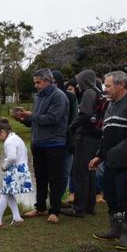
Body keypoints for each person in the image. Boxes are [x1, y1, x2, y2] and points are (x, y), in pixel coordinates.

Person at [12, 68, 69, 224]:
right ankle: (40, 207)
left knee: (55, 178)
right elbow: (36, 121)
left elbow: (52, 119)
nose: (36, 85)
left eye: (38, 82)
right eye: (35, 82)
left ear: (48, 80)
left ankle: (55, 211)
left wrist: (31, 115)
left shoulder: (59, 96)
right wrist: (23, 118)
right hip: (38, 143)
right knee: (40, 177)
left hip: (55, 143)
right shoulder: (38, 97)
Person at [89, 71, 127, 250]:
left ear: (121, 85)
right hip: (110, 161)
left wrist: (118, 152)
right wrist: (99, 155)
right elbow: (106, 135)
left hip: (125, 162)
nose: (105, 89)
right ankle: (115, 229)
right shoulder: (110, 106)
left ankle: (126, 235)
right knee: (111, 195)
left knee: (124, 197)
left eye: (108, 86)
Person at [63, 69, 101, 217]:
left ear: (84, 80)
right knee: (90, 172)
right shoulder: (97, 92)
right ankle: (89, 206)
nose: (77, 84)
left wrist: (71, 127)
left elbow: (85, 114)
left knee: (81, 173)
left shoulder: (88, 93)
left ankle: (78, 208)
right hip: (94, 138)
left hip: (85, 138)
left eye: (79, 80)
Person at [0, 119, 32, 227]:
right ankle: (17, 217)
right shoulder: (17, 138)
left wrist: (4, 166)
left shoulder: (9, 141)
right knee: (8, 193)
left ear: (2, 132)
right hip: (22, 168)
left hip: (15, 170)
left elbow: (12, 157)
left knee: (4, 193)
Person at [53, 70, 78, 204]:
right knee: (52, 173)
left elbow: (74, 119)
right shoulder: (45, 97)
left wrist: (71, 139)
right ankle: (53, 200)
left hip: (67, 140)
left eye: (55, 82)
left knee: (65, 172)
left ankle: (59, 199)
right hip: (51, 141)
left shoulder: (70, 97)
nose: (52, 85)